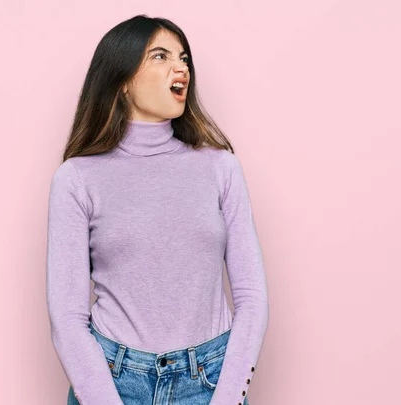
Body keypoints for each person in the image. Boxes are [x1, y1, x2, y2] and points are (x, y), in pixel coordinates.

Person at [46, 14, 269, 405]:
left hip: (209, 380)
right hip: (114, 381)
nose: (180, 66)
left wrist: (230, 394)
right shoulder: (76, 179)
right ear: (123, 80)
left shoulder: (221, 167)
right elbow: (66, 316)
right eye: (160, 56)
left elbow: (251, 297)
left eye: (183, 57)